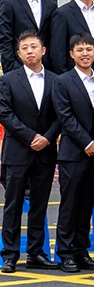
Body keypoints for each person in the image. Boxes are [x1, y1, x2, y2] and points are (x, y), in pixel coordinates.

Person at [0, 31, 59, 272]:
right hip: (17, 150)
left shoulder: (55, 80)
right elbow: (4, 113)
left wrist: (47, 137)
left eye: (34, 46)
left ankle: (36, 252)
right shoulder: (8, 80)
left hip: (45, 150)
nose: (30, 51)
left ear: (43, 50)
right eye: (24, 48)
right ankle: (10, 254)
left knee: (39, 203)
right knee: (13, 204)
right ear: (18, 53)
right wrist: (30, 136)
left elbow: (60, 114)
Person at [52, 33, 94, 272]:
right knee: (69, 204)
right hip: (73, 151)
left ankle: (81, 250)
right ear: (71, 54)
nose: (85, 54)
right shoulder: (62, 81)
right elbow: (65, 116)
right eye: (80, 50)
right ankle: (65, 252)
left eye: (89, 49)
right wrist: (86, 142)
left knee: (86, 203)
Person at [0, 0, 56, 74]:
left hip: (46, 69)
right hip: (18, 68)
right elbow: (5, 38)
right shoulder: (9, 3)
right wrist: (11, 68)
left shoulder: (51, 5)